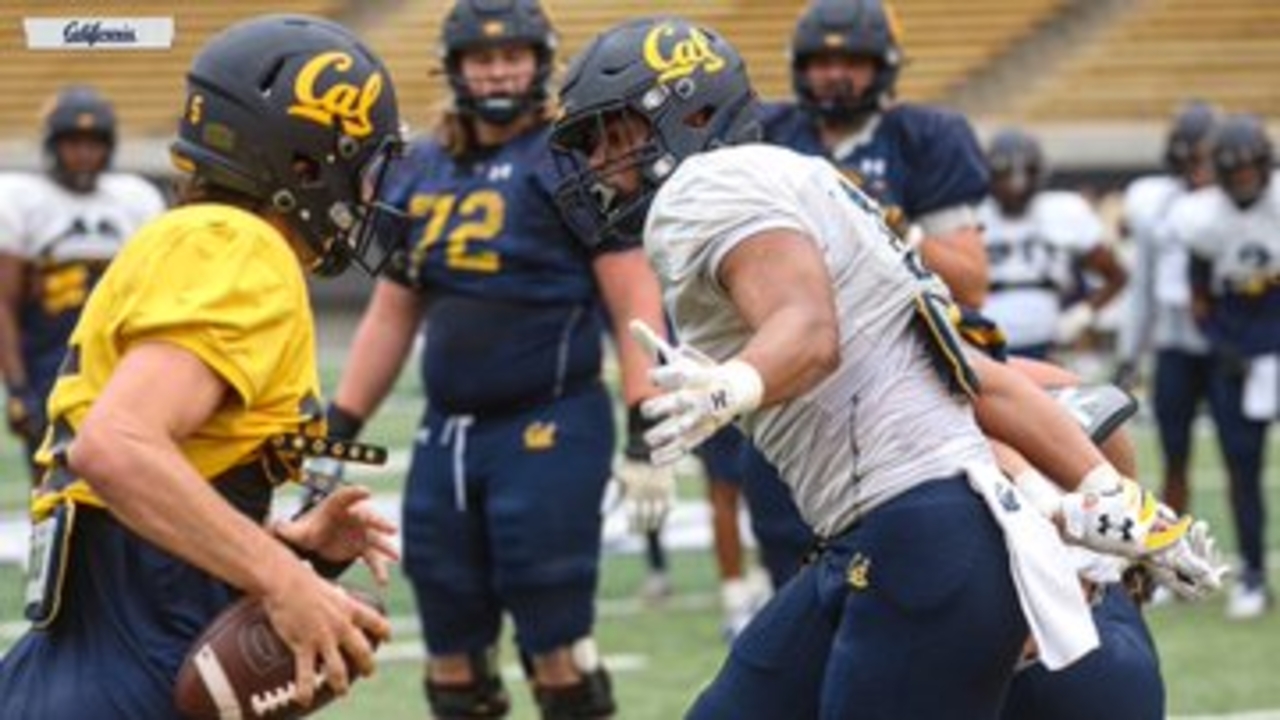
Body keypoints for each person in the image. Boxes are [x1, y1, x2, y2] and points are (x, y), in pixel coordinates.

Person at [550, 17, 1216, 719]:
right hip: (906, 529)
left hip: (917, 535)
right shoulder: (810, 180)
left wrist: (734, 383)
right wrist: (1108, 494)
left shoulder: (703, 188)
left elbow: (810, 333)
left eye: (613, 135)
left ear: (691, 114)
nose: (600, 162)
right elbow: (973, 377)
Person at [0, 15, 405, 718]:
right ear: (305, 164)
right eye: (363, 168)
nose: (367, 195)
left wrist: (291, 547)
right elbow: (116, 448)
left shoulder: (184, 237)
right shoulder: (240, 247)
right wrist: (283, 580)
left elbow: (132, 509)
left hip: (81, 657)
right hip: (136, 667)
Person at [314, 1, 670, 717]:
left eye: (512, 56)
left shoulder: (569, 158)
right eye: (483, 58)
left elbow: (632, 296)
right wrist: (339, 428)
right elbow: (393, 310)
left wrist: (645, 425)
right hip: (447, 433)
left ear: (540, 63)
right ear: (456, 68)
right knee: (450, 656)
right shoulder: (421, 167)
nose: (499, 70)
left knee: (558, 646)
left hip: (550, 422)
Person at [762, 0, 990, 309]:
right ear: (801, 66)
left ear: (883, 66)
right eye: (822, 62)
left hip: (891, 324)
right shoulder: (766, 132)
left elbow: (971, 287)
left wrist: (897, 231)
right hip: (786, 313)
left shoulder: (927, 136)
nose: (835, 75)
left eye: (853, 62)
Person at [0, 86, 166, 481]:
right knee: (57, 489)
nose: (84, 154)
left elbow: (158, 293)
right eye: (73, 143)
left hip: (123, 366)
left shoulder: (135, 198)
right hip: (49, 367)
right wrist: (18, 387)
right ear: (53, 146)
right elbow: (4, 301)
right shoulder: (21, 198)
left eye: (93, 144)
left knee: (131, 487)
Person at [1179, 113, 1279, 619]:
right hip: (1238, 355)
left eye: (1249, 169)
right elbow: (1199, 298)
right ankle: (1254, 575)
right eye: (1233, 171)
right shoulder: (1204, 218)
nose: (1242, 179)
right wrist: (1222, 344)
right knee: (1242, 468)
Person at [1115, 102, 1220, 520]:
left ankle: (1250, 556)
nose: (1198, 167)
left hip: (1227, 343)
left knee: (1241, 456)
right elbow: (1143, 284)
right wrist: (1130, 353)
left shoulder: (1240, 204)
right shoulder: (1155, 200)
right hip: (1174, 345)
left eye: (1206, 157)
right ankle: (1173, 546)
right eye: (1191, 156)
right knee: (1173, 457)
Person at [978, 128, 1128, 359]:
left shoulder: (1064, 211)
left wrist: (1081, 315)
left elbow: (1116, 275)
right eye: (1004, 175)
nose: (1015, 187)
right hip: (983, 345)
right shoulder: (971, 215)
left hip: (1047, 344)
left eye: (1026, 175)